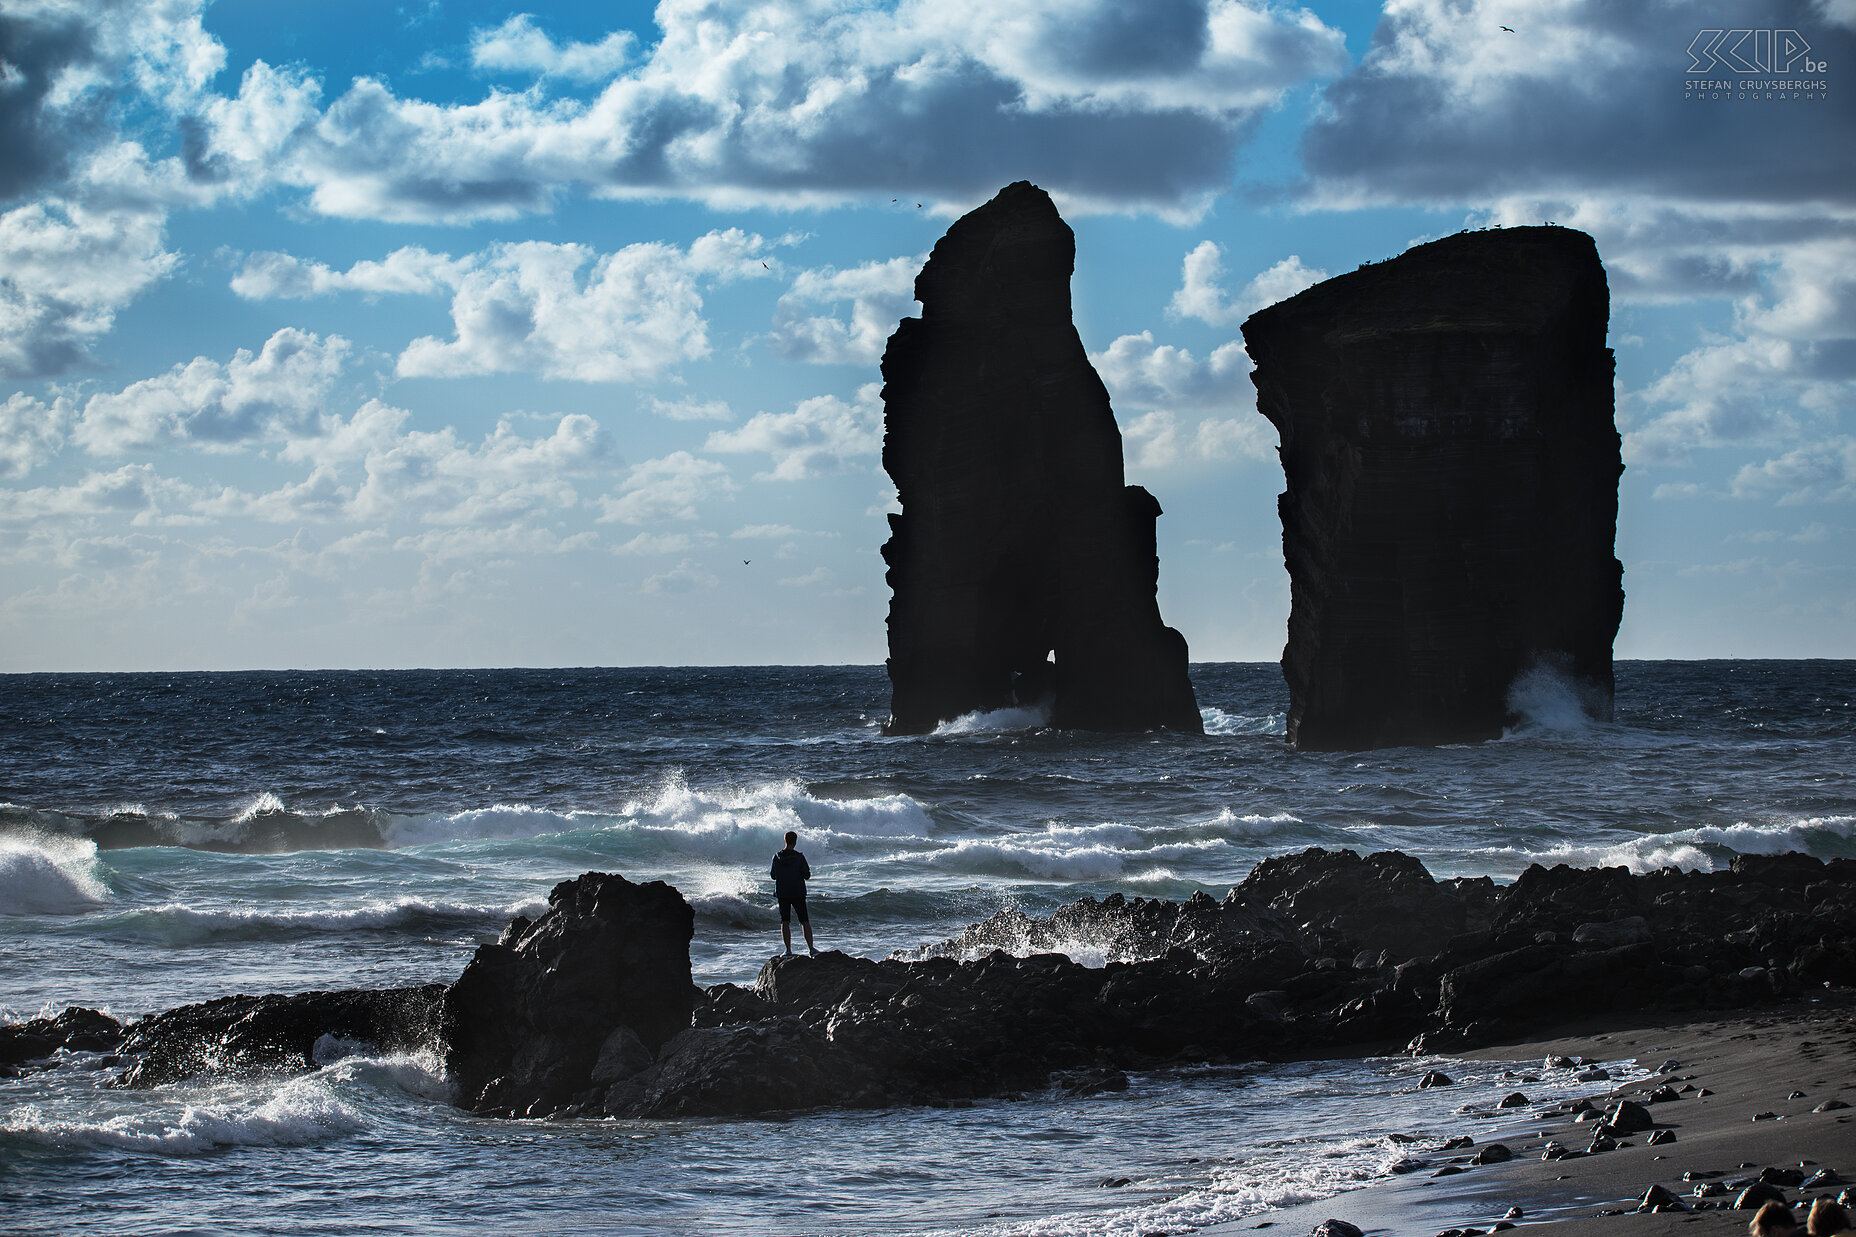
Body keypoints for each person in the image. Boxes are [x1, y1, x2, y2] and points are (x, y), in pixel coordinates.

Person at [770, 830, 818, 957]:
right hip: (797, 892)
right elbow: (806, 875)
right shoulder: (799, 857)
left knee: (785, 921)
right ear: (795, 842)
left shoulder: (777, 857)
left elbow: (773, 876)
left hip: (782, 892)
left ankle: (788, 950)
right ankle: (811, 949)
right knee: (804, 921)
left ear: (785, 841)